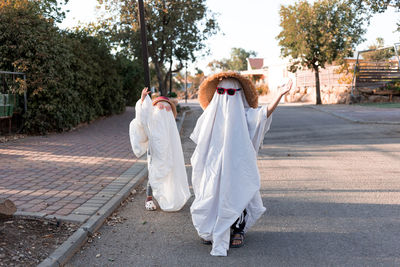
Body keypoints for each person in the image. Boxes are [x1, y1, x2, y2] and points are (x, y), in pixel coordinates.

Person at [190, 72, 292, 256]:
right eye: (221, 91)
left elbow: (263, 114)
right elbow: (200, 140)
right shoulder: (210, 115)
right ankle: (210, 225)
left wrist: (280, 94)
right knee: (211, 191)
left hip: (237, 163)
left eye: (231, 93)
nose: (225, 96)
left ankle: (238, 229)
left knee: (237, 190)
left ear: (238, 94)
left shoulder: (245, 114)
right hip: (213, 164)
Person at [129, 88, 191, 212]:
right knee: (153, 174)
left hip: (168, 152)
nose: (163, 109)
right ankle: (149, 198)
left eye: (167, 108)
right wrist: (143, 99)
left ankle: (167, 195)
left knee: (168, 173)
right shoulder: (151, 120)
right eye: (160, 107)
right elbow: (142, 117)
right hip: (154, 151)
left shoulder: (169, 124)